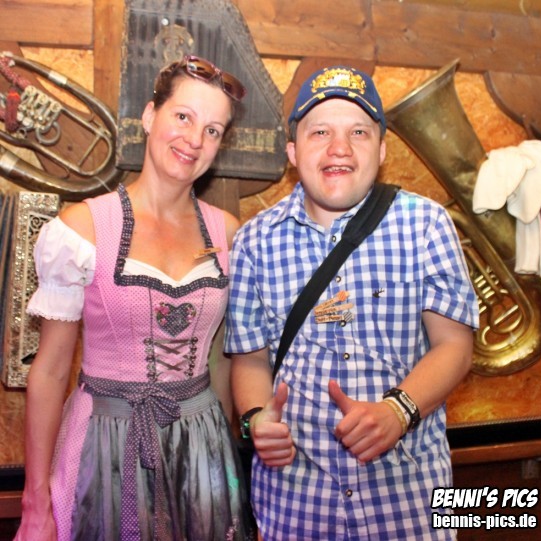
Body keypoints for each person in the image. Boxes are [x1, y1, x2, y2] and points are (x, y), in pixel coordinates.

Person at [224, 65, 479, 540]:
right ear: (293, 152)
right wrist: (257, 419)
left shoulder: (426, 225)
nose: (339, 147)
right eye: (320, 131)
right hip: (296, 504)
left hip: (407, 502)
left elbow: (454, 346)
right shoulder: (254, 242)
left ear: (381, 151)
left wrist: (398, 411)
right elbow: (250, 360)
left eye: (358, 132)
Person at [15, 55, 255, 541]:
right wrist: (34, 500)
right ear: (149, 115)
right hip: (105, 441)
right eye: (183, 116)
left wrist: (227, 452)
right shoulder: (82, 229)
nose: (194, 139)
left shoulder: (229, 234)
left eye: (212, 130)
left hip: (200, 447)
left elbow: (221, 359)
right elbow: (52, 370)